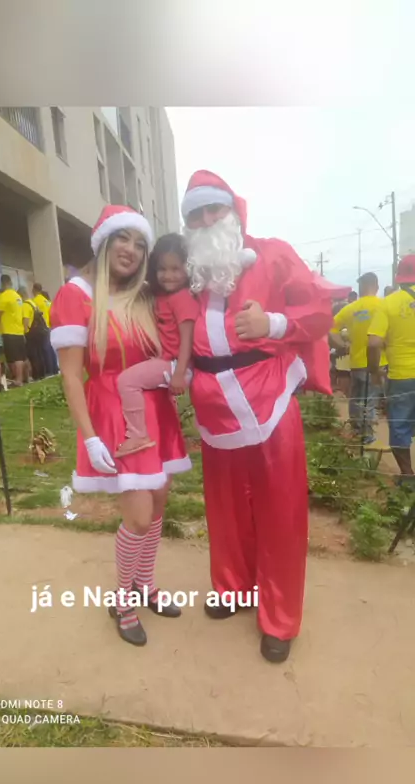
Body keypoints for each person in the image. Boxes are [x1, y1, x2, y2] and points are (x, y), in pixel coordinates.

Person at [181, 170, 332, 663]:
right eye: (195, 214)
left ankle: (280, 618)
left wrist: (273, 322)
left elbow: (319, 309)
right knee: (224, 509)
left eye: (214, 209)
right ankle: (233, 589)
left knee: (280, 512)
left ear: (233, 210)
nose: (206, 220)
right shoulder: (192, 271)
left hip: (270, 400)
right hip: (214, 409)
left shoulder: (273, 254)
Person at [50, 204, 191, 646]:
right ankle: (122, 599)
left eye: (140, 243)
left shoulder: (145, 294)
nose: (131, 249)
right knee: (139, 516)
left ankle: (145, 583)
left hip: (156, 411)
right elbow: (71, 375)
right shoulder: (75, 295)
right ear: (104, 242)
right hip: (115, 415)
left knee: (159, 503)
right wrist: (90, 437)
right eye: (123, 239)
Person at [115, 233, 199, 457]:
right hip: (169, 362)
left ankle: (137, 435)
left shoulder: (183, 298)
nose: (168, 276)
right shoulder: (163, 296)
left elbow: (188, 338)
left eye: (176, 269)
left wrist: (180, 373)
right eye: (162, 269)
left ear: (188, 268)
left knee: (126, 381)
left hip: (177, 365)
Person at [368, 255, 415, 481]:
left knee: (399, 426)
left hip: (402, 376)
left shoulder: (388, 303)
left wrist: (374, 371)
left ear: (399, 276)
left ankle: (408, 477)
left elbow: (374, 343)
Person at [330, 272, 387, 444]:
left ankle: (356, 431)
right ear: (376, 286)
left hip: (355, 362)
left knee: (355, 399)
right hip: (377, 362)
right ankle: (367, 437)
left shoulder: (350, 308)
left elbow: (330, 329)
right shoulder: (384, 306)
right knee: (370, 400)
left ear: (361, 287)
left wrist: (342, 345)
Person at [0, 274, 27, 387]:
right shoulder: (17, 296)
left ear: (3, 283)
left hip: (9, 331)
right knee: (21, 357)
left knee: (14, 358)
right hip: (19, 330)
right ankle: (23, 378)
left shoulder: (4, 296)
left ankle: (18, 380)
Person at [19, 286, 50, 380]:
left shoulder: (25, 305)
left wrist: (24, 332)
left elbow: (26, 320)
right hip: (39, 331)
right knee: (39, 353)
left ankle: (36, 374)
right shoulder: (33, 303)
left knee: (33, 354)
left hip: (31, 333)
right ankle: (42, 373)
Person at [32, 282, 58, 376]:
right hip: (49, 326)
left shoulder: (35, 301)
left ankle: (49, 370)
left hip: (42, 327)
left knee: (44, 349)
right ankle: (54, 368)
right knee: (50, 348)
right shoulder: (46, 301)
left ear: (34, 290)